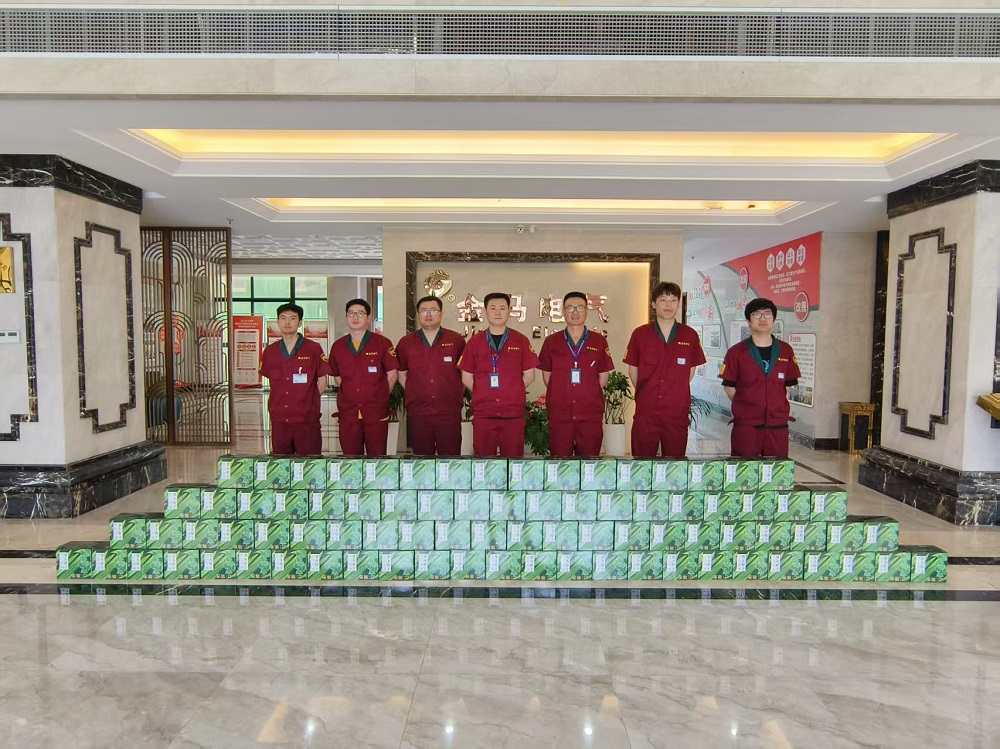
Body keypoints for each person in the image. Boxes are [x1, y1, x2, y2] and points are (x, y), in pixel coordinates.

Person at [623, 281, 707, 458]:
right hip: (646, 411)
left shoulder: (689, 335)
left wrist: (673, 390)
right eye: (663, 300)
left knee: (675, 462)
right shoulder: (640, 334)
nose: (668, 305)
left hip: (676, 411)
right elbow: (633, 370)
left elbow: (690, 372)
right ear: (654, 304)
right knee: (642, 462)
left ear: (678, 304)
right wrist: (649, 392)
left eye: (673, 300)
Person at [459, 292, 539, 457]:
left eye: (502, 308)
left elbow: (529, 375)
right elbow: (466, 377)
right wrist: (484, 392)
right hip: (484, 414)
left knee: (513, 461)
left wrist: (512, 390)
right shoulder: (474, 342)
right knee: (483, 461)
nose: (497, 312)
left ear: (509, 311)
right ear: (485, 312)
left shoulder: (521, 340)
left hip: (512, 415)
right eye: (493, 308)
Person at [721, 297, 801, 458]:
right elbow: (729, 386)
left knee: (777, 470)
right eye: (757, 314)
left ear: (774, 319)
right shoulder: (736, 352)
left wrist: (772, 402)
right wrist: (748, 405)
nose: (763, 319)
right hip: (746, 426)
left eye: (767, 314)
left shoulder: (785, 350)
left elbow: (787, 385)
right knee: (744, 469)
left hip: (776, 425)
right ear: (748, 321)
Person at [538, 291, 615, 457]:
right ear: (563, 311)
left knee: (588, 463)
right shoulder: (551, 342)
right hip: (560, 414)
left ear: (586, 311)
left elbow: (603, 377)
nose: (575, 312)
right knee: (560, 461)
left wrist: (586, 392)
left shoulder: (599, 341)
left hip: (589, 414)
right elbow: (547, 377)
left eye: (580, 308)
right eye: (570, 308)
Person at [395, 295, 467, 455]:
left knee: (450, 459)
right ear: (418, 314)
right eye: (424, 311)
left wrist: (453, 392)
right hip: (419, 412)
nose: (428, 315)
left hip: (448, 411)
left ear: (441, 314)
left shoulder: (456, 340)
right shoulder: (406, 343)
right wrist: (415, 391)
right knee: (422, 460)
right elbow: (401, 373)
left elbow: (465, 373)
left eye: (433, 310)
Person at [328, 298, 399, 456]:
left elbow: (392, 374)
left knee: (377, 456)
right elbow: (337, 377)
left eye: (360, 313)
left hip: (375, 411)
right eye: (351, 313)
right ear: (346, 317)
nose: (355, 317)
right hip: (349, 412)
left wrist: (380, 395)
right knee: (350, 457)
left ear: (368, 318)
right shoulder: (338, 346)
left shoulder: (382, 343)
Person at [258, 302, 330, 455]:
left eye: (292, 318)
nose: (287, 322)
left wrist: (309, 400)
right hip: (280, 419)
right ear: (278, 322)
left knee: (309, 461)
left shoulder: (313, 349)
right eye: (283, 318)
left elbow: (323, 381)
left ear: (300, 322)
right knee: (282, 462)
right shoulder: (270, 351)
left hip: (306, 419)